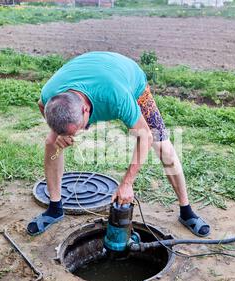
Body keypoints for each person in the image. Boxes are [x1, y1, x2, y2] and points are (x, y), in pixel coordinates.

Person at [27, 51, 210, 238]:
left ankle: (187, 211)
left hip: (128, 78)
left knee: (163, 147)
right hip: (90, 68)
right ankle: (55, 208)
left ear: (85, 110)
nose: (76, 135)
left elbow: (145, 136)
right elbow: (42, 104)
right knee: (52, 143)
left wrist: (127, 184)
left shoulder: (117, 96)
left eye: (78, 129)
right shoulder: (50, 93)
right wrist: (59, 135)